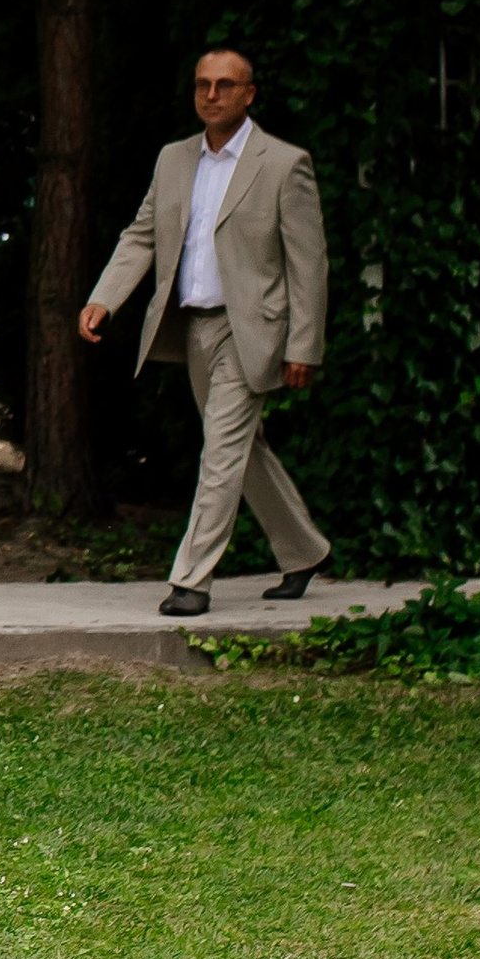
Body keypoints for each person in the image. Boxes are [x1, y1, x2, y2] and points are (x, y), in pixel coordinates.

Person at [77, 41, 331, 620]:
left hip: (255, 332)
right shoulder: (174, 159)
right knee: (243, 449)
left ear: (249, 94)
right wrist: (104, 300)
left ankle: (192, 580)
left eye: (224, 85)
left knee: (221, 452)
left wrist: (304, 346)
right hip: (194, 331)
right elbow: (142, 235)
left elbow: (308, 264)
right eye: (202, 84)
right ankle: (305, 549)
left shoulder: (284, 164)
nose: (211, 95)